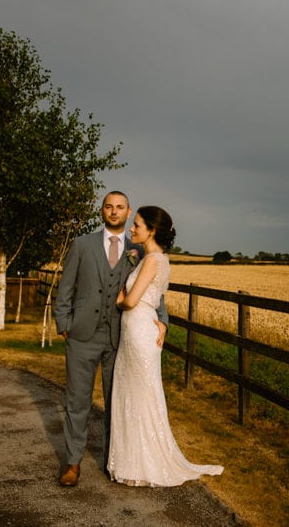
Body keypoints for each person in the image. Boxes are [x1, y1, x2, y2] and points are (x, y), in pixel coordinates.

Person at [53, 191, 170, 487]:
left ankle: (111, 461)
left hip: (121, 339)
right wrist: (63, 324)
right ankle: (73, 462)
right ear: (102, 211)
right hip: (81, 336)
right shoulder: (82, 244)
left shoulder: (139, 249)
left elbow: (155, 292)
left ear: (129, 211)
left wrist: (164, 322)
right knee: (77, 402)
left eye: (120, 207)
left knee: (114, 402)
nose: (114, 212)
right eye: (109, 207)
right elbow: (65, 287)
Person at [107, 205, 223, 486]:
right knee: (135, 394)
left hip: (138, 333)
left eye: (137, 225)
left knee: (141, 396)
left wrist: (120, 299)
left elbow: (132, 301)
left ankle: (143, 463)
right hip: (138, 331)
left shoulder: (152, 260)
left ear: (152, 230)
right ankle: (132, 461)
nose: (132, 229)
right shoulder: (154, 258)